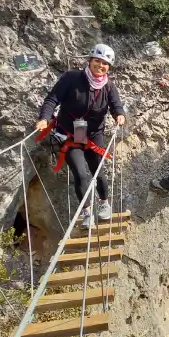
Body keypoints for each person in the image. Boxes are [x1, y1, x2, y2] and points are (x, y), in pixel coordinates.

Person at [36, 44, 125, 228]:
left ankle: (104, 202)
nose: (100, 66)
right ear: (90, 60)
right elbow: (52, 99)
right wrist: (44, 118)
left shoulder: (108, 87)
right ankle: (86, 213)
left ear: (109, 67)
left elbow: (116, 106)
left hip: (93, 135)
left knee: (98, 172)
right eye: (97, 61)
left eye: (105, 64)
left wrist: (120, 116)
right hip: (69, 133)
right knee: (80, 174)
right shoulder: (72, 78)